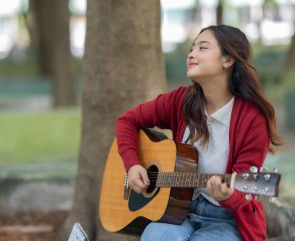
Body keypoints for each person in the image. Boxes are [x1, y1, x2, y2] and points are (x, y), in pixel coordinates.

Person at [115, 25, 284, 241]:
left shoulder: (253, 119)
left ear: (228, 60)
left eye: (203, 48)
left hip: (225, 219)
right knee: (156, 237)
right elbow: (127, 120)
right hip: (176, 211)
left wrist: (229, 195)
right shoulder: (180, 100)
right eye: (192, 48)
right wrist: (132, 165)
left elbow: (241, 191)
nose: (192, 54)